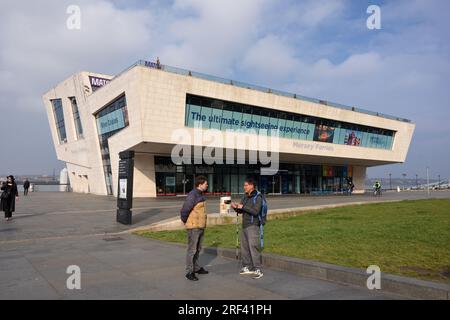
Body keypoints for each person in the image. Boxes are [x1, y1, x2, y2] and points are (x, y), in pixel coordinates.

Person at [231, 178, 264, 279]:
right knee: (244, 247)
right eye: (244, 185)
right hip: (244, 225)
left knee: (253, 247)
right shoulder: (245, 197)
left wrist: (243, 207)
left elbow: (255, 211)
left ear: (251, 186)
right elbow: (241, 211)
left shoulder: (258, 197)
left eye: (246, 185)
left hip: (253, 225)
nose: (244, 187)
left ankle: (257, 268)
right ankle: (248, 266)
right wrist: (235, 207)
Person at [180, 175, 209, 281]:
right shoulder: (193, 195)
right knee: (192, 250)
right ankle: (189, 272)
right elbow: (185, 210)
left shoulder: (200, 194)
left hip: (200, 226)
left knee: (198, 249)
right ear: (200, 184)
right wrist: (185, 221)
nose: (207, 185)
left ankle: (196, 268)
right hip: (193, 227)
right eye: (206, 183)